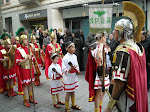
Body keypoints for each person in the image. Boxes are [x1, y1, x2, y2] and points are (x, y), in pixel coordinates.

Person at [105, 1, 148, 112]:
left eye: (116, 30)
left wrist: (110, 106)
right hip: (138, 93)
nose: (113, 32)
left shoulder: (123, 51)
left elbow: (119, 82)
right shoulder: (138, 47)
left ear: (122, 33)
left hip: (125, 98)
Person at [85, 34, 110, 112]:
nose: (106, 38)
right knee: (98, 93)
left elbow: (109, 50)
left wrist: (103, 45)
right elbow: (99, 56)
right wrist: (101, 44)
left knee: (103, 93)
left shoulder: (102, 45)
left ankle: (99, 108)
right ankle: (97, 110)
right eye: (104, 37)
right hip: (98, 73)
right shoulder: (94, 46)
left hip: (104, 71)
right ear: (101, 38)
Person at [15, 31, 38, 107]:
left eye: (27, 39)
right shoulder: (18, 50)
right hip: (24, 69)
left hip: (30, 68)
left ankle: (31, 98)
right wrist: (26, 59)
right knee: (25, 85)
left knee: (31, 84)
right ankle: (25, 100)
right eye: (25, 40)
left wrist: (34, 68)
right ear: (21, 41)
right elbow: (18, 62)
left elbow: (32, 60)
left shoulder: (29, 48)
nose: (27, 41)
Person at [62, 41, 81, 112]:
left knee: (73, 92)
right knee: (68, 93)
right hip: (68, 77)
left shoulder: (75, 56)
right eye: (72, 47)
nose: (74, 48)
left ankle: (73, 104)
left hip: (73, 76)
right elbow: (63, 69)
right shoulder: (65, 58)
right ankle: (67, 107)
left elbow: (76, 65)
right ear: (67, 48)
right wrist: (69, 70)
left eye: (74, 47)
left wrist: (78, 70)